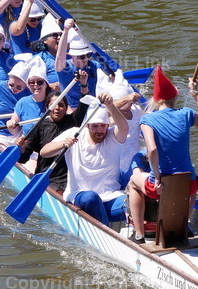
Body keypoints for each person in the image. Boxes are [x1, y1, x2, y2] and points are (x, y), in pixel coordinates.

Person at [126, 66, 198, 244]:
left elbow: (152, 150)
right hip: (187, 184)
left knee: (133, 182)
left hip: (159, 187)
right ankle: (185, 224)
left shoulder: (147, 119)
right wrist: (196, 93)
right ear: (175, 97)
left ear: (156, 100)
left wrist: (157, 178)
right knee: (192, 180)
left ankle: (139, 234)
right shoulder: (186, 114)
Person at [39, 92, 129, 226]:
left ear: (107, 126)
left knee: (136, 203)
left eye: (103, 126)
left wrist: (110, 105)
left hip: (110, 197)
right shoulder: (75, 133)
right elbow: (43, 152)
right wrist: (62, 144)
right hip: (80, 196)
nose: (99, 131)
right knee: (91, 197)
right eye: (95, 126)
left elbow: (124, 127)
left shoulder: (113, 136)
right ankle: (106, 235)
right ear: (87, 126)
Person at [18, 93, 89, 191]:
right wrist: (22, 147)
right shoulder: (39, 126)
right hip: (47, 176)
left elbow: (84, 103)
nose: (57, 108)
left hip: (69, 177)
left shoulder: (73, 121)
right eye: (53, 104)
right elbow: (22, 159)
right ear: (47, 107)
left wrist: (83, 84)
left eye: (61, 105)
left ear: (66, 108)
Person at [55, 19, 99, 108]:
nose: (85, 59)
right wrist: (66, 31)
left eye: (88, 55)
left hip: (93, 106)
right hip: (72, 107)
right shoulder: (65, 67)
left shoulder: (94, 65)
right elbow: (60, 54)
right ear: (72, 55)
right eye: (82, 56)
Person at [7, 57, 50, 135]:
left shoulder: (53, 101)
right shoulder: (22, 102)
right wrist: (11, 126)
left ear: (46, 84)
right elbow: (16, 132)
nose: (36, 85)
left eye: (40, 82)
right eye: (32, 82)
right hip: (28, 143)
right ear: (28, 85)